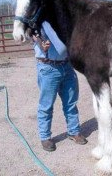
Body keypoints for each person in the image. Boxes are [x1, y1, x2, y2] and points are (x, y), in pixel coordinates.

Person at [33, 21, 87, 152]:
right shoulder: (39, 17)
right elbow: (32, 32)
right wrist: (41, 43)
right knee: (46, 105)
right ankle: (45, 137)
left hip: (67, 65)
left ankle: (73, 131)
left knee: (71, 102)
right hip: (48, 67)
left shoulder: (61, 16)